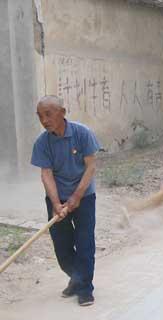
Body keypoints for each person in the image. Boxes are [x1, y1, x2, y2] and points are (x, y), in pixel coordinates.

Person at [31, 95, 100, 307]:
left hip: (84, 196)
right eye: (40, 116)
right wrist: (55, 203)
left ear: (62, 112)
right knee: (62, 246)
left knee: (84, 242)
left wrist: (76, 196)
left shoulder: (82, 133)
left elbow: (91, 167)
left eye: (48, 114)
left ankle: (85, 289)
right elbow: (46, 174)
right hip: (56, 198)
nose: (44, 120)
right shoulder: (42, 142)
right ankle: (77, 278)